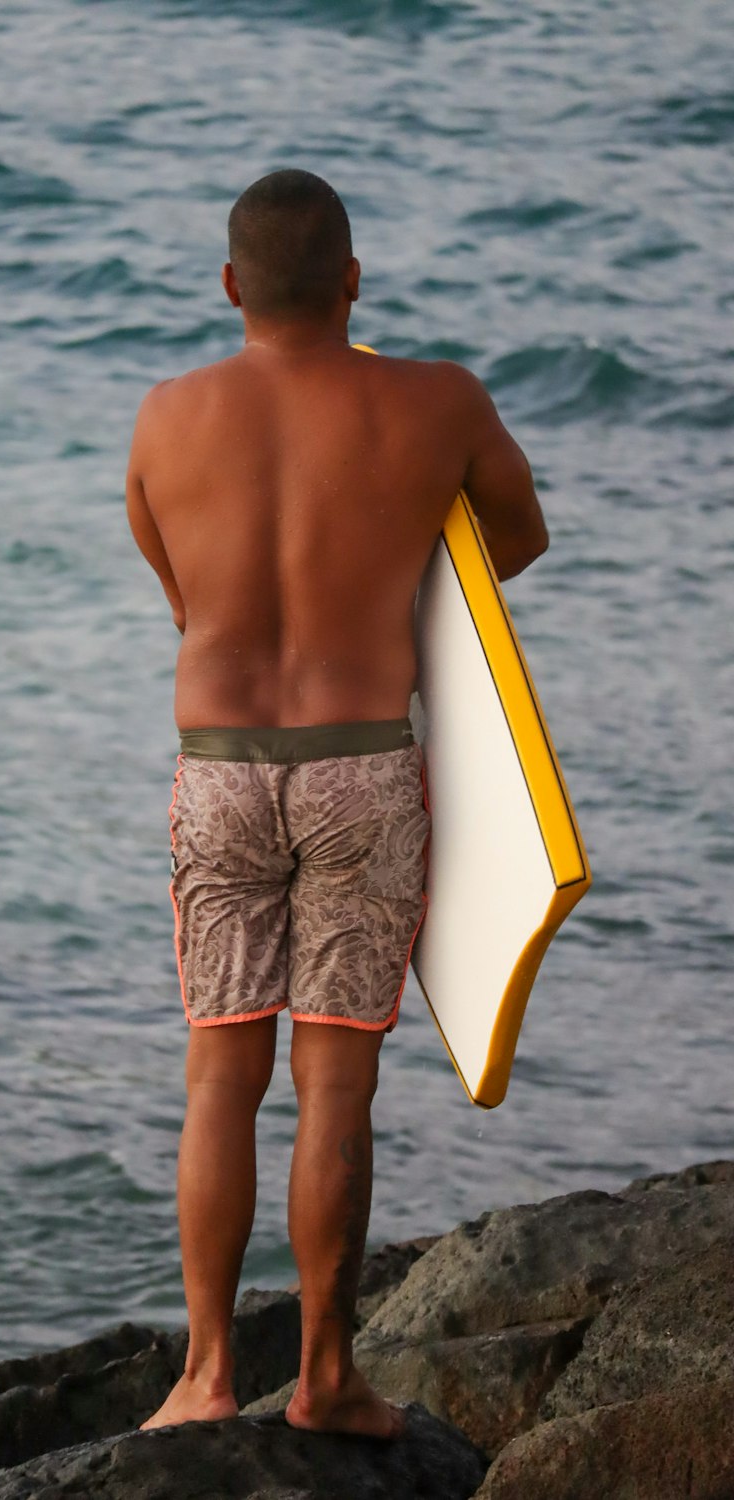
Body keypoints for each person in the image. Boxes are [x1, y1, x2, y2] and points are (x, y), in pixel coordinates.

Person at [125, 169, 548, 1440]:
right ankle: (322, 1377)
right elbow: (512, 541)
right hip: (365, 762)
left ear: (229, 286)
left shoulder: (165, 417)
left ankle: (202, 1377)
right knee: (336, 1087)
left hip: (218, 767)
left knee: (219, 1074)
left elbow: (183, 592)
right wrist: (393, 545)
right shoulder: (439, 399)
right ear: (353, 280)